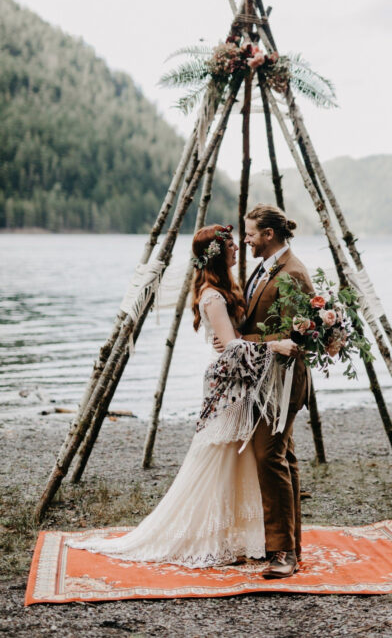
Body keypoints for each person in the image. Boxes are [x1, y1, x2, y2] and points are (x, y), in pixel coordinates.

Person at [65, 223, 298, 569]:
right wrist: (273, 344)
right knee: (215, 461)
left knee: (235, 462)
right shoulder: (212, 296)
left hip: (240, 386)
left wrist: (239, 340)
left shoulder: (227, 287)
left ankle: (240, 535)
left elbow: (234, 339)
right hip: (228, 389)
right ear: (218, 255)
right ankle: (204, 534)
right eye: (231, 246)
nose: (238, 249)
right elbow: (232, 348)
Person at [214, 204, 313, 579]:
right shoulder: (267, 266)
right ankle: (291, 544)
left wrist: (237, 340)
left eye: (250, 233)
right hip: (263, 378)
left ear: (268, 234)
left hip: (283, 383)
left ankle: (283, 553)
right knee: (282, 456)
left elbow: (295, 337)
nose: (246, 240)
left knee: (269, 456)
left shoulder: (295, 274)